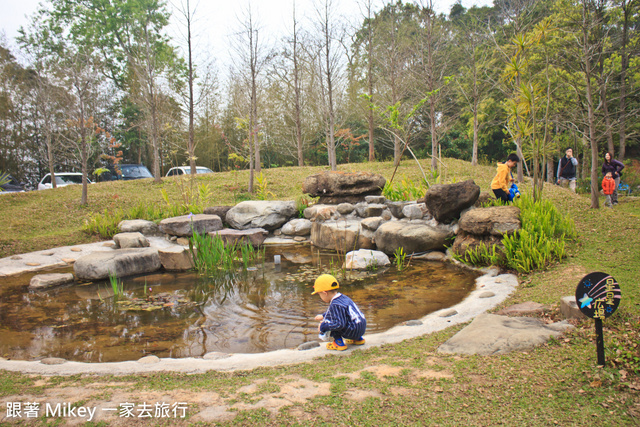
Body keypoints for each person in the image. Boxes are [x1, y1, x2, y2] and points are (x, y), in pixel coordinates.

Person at [312, 274, 366, 351]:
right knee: (345, 319)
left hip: (352, 331)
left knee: (331, 323)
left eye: (319, 294)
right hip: (361, 328)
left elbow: (339, 325)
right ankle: (358, 339)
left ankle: (339, 343)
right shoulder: (343, 297)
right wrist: (324, 315)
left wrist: (323, 326)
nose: (320, 297)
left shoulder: (335, 304)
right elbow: (339, 312)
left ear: (325, 293)